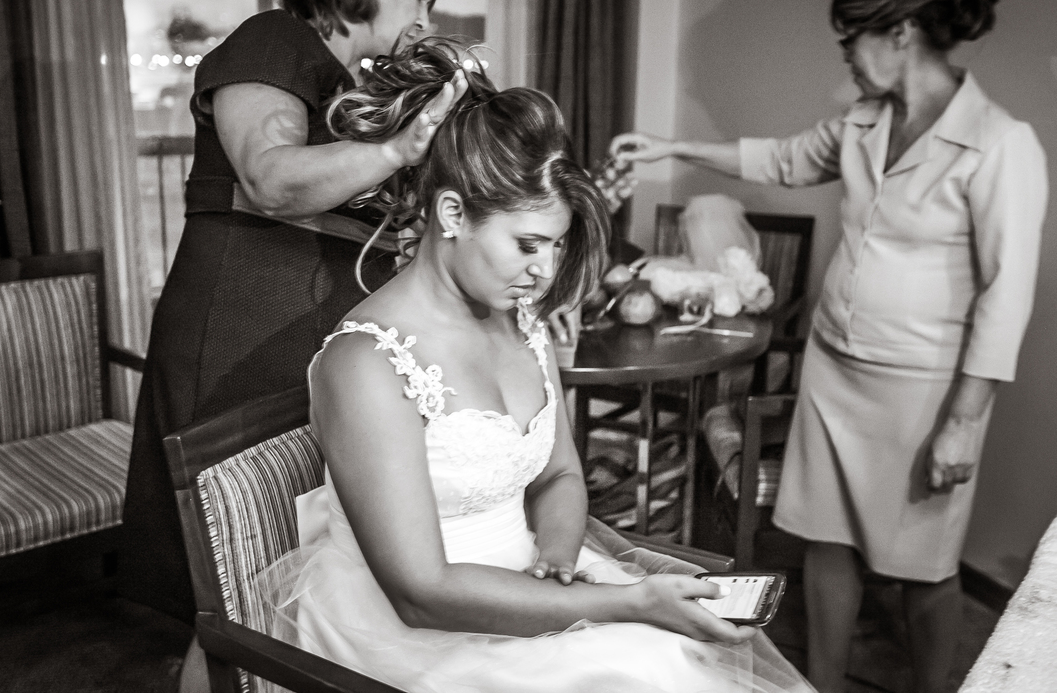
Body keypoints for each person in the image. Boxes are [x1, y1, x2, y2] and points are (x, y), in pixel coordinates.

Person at [256, 38, 812, 693]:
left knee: (658, 661)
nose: (544, 272)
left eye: (554, 247)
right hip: (416, 634)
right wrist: (625, 602)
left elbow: (562, 474)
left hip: (530, 582)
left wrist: (555, 558)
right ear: (453, 214)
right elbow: (421, 593)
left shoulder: (523, 324)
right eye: (528, 245)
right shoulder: (366, 364)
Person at [610, 0, 1047, 693]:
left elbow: (1007, 295)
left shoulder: (1002, 145)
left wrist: (963, 421)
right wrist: (671, 146)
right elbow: (780, 158)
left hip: (924, 393)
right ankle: (822, 683)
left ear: (900, 31)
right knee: (824, 542)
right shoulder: (863, 122)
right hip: (834, 370)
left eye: (852, 39)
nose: (845, 57)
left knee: (925, 568)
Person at [120, 0, 465, 624]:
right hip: (245, 319)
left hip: (313, 326)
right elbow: (271, 179)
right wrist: (398, 151)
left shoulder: (357, 87)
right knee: (234, 560)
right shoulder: (272, 40)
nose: (426, 18)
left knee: (290, 551)